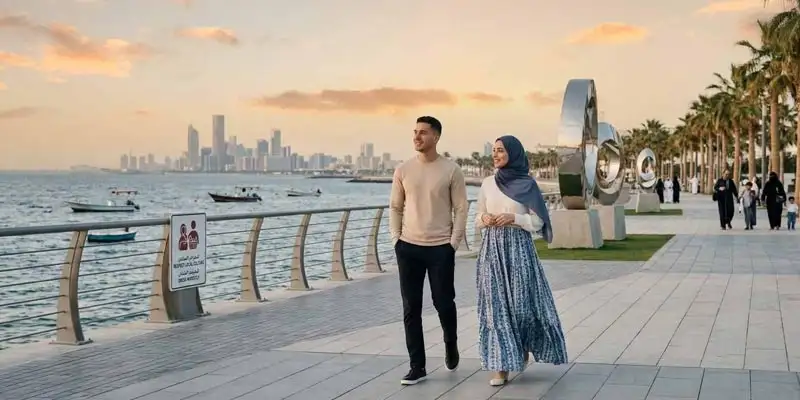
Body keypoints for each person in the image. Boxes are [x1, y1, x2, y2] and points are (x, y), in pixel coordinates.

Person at [475, 135, 567, 387]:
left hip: (519, 251)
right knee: (496, 308)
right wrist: (485, 219)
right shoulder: (487, 183)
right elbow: (477, 216)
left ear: (513, 153)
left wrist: (513, 218)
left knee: (521, 307)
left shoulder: (527, 184)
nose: (495, 155)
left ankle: (524, 345)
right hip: (493, 250)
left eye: (501, 150)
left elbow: (538, 222)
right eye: (493, 150)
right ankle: (501, 366)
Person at [389, 115, 469, 385]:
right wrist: (395, 239)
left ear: (436, 137)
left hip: (440, 248)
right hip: (408, 247)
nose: (417, 137)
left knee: (443, 303)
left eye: (423, 132)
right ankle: (417, 366)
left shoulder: (451, 170)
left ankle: (450, 342)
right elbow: (395, 207)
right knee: (411, 308)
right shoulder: (403, 170)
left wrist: (453, 243)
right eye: (414, 132)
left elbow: (461, 208)